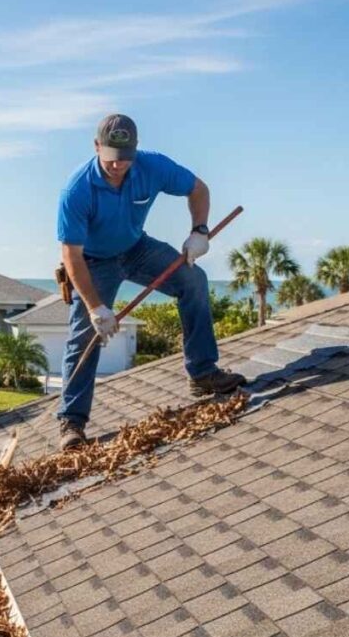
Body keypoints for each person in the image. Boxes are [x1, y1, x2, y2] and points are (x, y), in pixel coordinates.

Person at [55, 114, 245, 451]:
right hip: (93, 261)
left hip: (136, 247)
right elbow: (72, 255)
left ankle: (202, 373)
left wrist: (199, 231)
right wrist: (96, 307)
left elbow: (198, 189)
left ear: (136, 149)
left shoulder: (152, 166)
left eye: (126, 158)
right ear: (97, 146)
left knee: (193, 281)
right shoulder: (77, 189)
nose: (118, 166)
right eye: (111, 158)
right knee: (85, 334)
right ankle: (72, 421)